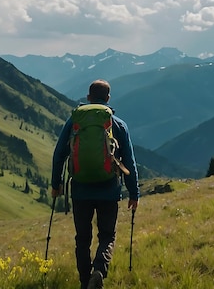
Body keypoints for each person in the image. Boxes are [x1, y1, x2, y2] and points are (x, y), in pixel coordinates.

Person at [51, 79, 140, 289]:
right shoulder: (118, 124)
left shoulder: (74, 123)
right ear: (108, 99)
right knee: (107, 235)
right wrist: (134, 193)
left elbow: (58, 155)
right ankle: (99, 270)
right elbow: (129, 161)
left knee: (82, 239)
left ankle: (84, 283)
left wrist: (56, 185)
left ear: (88, 97)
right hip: (109, 190)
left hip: (80, 190)